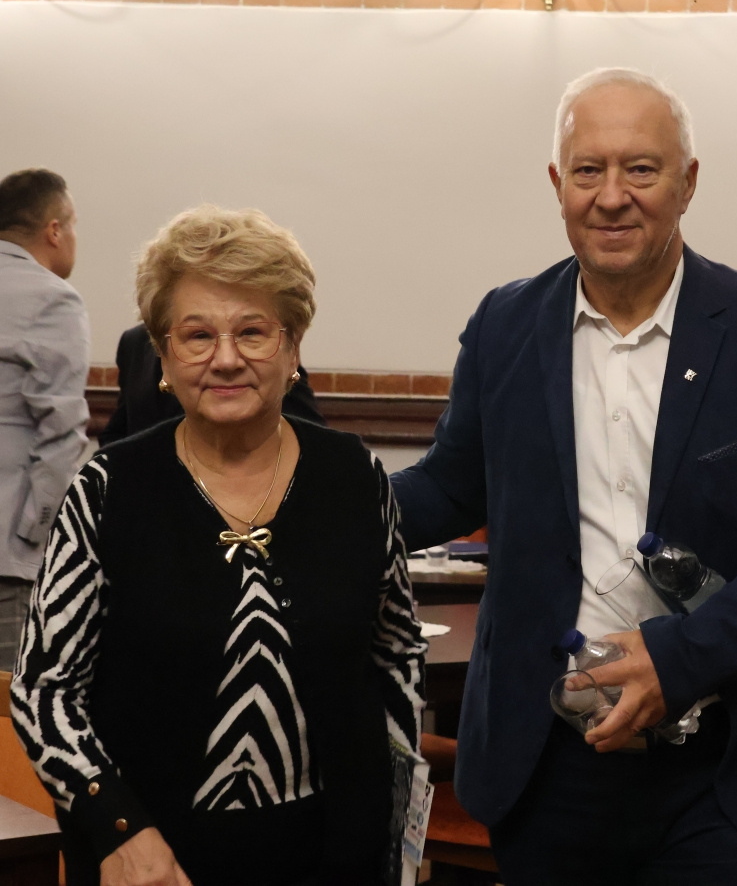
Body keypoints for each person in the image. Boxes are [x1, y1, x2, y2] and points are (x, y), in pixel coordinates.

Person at [390, 68, 737, 885]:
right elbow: (449, 487)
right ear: (558, 184)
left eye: (641, 169)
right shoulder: (505, 325)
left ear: (688, 182)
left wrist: (678, 659)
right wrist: (304, 493)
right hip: (547, 772)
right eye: (589, 170)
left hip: (728, 774)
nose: (612, 196)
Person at [12, 205, 427, 886]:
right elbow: (44, 690)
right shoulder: (109, 489)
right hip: (154, 863)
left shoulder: (355, 477)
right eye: (197, 335)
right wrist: (118, 828)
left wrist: (395, 830)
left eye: (253, 332)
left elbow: (398, 654)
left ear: (293, 348)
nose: (226, 359)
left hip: (335, 859)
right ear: (163, 355)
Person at [0, 168, 89, 671]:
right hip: (7, 550)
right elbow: (60, 431)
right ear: (54, 230)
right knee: (6, 703)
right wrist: (37, 532)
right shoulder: (51, 298)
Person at [97, 322, 324, 446]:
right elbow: (117, 430)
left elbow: (310, 435)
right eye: (200, 335)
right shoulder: (134, 341)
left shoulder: (269, 356)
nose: (226, 361)